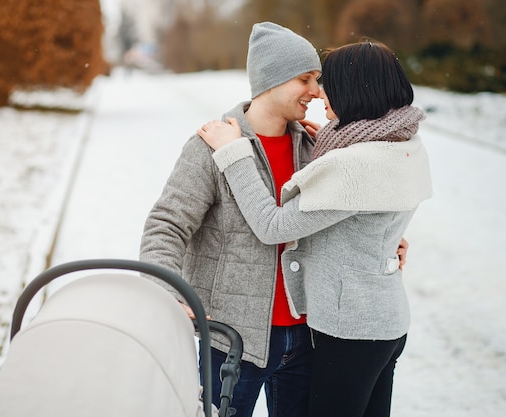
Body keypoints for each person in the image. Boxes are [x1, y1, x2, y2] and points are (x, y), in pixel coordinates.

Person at [197, 40, 432, 417]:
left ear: (353, 89)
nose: (320, 92)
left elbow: (272, 226)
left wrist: (234, 153)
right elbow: (372, 209)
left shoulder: (353, 164)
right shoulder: (404, 142)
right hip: (386, 322)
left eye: (328, 81)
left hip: (351, 330)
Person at [139, 21, 323, 417]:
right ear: (272, 79)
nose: (316, 91)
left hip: (305, 335)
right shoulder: (211, 145)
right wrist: (167, 291)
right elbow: (166, 225)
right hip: (231, 340)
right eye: (306, 79)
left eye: (318, 79)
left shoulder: (310, 147)